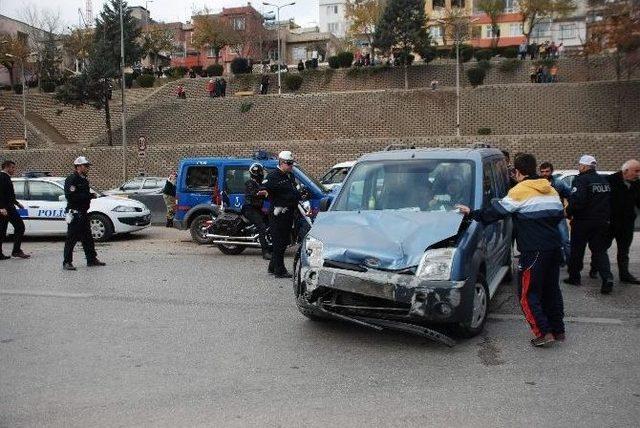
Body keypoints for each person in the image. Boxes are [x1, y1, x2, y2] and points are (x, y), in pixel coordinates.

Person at [457, 153, 566, 347]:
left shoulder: (520, 190)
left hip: (533, 250)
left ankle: (543, 332)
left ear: (517, 171)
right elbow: (559, 215)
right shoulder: (550, 189)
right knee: (551, 291)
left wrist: (471, 213)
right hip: (553, 248)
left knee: (527, 294)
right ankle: (558, 330)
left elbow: (496, 212)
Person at [564, 155, 614, 294]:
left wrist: (567, 212)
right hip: (601, 222)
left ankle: (574, 277)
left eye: (580, 165)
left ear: (585, 166)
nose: (579, 167)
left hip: (583, 222)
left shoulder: (581, 180)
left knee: (577, 250)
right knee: (600, 251)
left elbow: (577, 201)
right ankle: (607, 278)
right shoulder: (603, 180)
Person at [262, 151, 301, 278]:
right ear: (281, 162)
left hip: (289, 213)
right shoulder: (273, 176)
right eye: (289, 164)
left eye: (292, 164)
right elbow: (263, 188)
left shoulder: (289, 176)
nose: (291, 166)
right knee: (279, 242)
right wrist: (265, 192)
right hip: (278, 213)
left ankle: (272, 267)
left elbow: (294, 191)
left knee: (284, 241)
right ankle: (280, 270)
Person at [62, 157, 105, 271]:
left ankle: (91, 259)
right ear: (78, 167)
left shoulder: (84, 179)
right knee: (71, 239)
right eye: (85, 166)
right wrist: (89, 196)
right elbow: (70, 196)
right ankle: (67, 262)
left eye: (87, 166)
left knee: (88, 238)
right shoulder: (72, 179)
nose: (87, 168)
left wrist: (90, 195)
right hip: (75, 213)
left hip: (83, 212)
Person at [606, 159, 640, 284]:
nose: (638, 174)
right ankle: (596, 268)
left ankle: (624, 275)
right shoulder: (610, 181)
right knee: (602, 247)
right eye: (636, 171)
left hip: (627, 224)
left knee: (624, 251)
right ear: (625, 171)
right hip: (610, 223)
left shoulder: (637, 184)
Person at [539, 162, 571, 263]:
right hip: (543, 216)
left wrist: (567, 210)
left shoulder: (558, 183)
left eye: (547, 171)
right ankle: (558, 260)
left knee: (564, 240)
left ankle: (571, 262)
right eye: (542, 171)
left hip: (558, 215)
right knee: (546, 241)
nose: (544, 174)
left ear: (551, 171)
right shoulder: (536, 184)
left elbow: (570, 195)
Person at [0, 160, 29, 260]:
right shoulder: (2, 177)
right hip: (6, 209)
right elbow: (1, 194)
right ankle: (16, 251)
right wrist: (1, 208)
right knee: (20, 227)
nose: (14, 170)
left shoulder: (5, 177)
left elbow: (8, 195)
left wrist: (17, 203)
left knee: (2, 231)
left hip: (8, 207)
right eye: (12, 168)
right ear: (7, 167)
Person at [242, 163, 271, 260]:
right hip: (249, 209)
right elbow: (254, 193)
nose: (262, 174)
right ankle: (265, 252)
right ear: (256, 173)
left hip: (257, 209)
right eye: (261, 172)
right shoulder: (250, 183)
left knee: (270, 219)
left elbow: (265, 190)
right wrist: (262, 193)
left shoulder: (259, 184)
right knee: (262, 226)